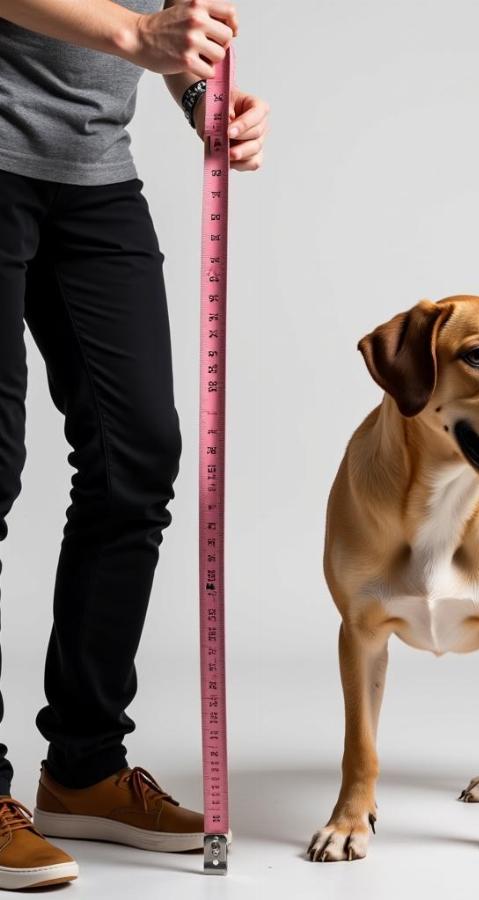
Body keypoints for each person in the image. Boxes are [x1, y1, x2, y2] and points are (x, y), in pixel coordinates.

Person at [0, 0, 269, 889]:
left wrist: (204, 97)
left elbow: (174, 29)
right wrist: (133, 37)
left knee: (135, 461)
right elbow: (140, 28)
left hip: (93, 172)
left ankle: (82, 766)